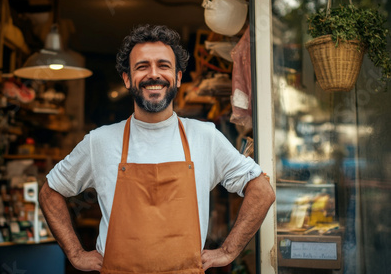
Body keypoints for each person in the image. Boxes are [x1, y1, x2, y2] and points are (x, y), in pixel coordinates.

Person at [39, 24, 275, 273]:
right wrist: (76, 254)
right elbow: (50, 191)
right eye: (142, 67)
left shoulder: (204, 137)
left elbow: (262, 191)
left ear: (178, 77)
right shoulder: (101, 141)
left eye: (163, 65)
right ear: (127, 79)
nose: (154, 74)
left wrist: (229, 251)